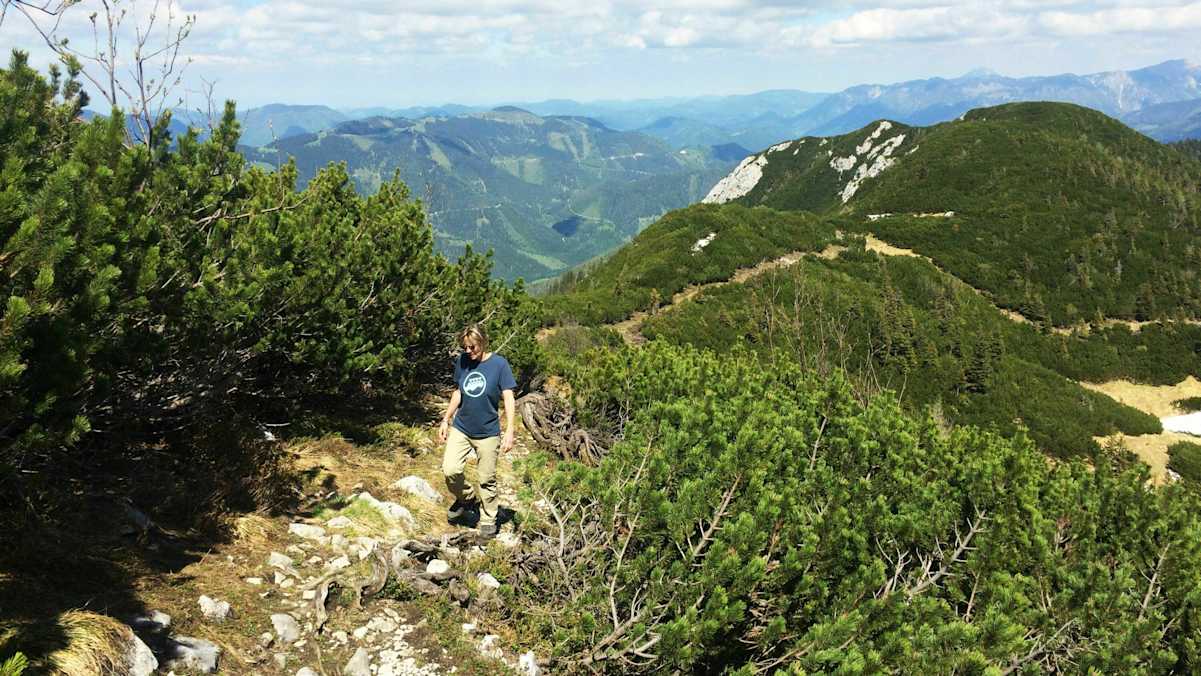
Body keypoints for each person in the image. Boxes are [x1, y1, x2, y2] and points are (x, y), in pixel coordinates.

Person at [438, 324, 516, 538]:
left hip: (488, 432)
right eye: (465, 347)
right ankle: (467, 499)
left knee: (486, 478)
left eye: (473, 347)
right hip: (462, 427)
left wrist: (510, 430)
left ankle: (489, 519)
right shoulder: (463, 361)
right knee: (450, 469)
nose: (469, 352)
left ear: (483, 342)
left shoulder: (499, 364)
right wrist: (446, 419)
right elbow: (458, 392)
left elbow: (508, 396)